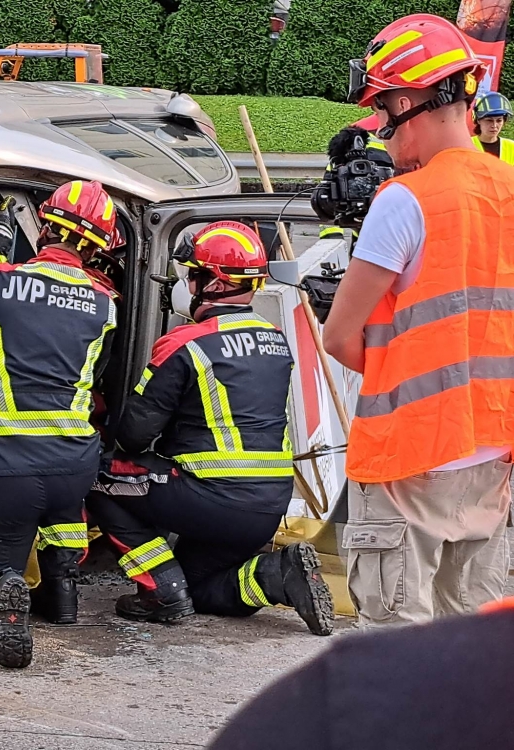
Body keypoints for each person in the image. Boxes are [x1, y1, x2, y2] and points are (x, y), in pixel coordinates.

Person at [325, 13, 514, 627]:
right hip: (489, 458)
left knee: (395, 663)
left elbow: (340, 337)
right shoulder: (510, 188)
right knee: (476, 659)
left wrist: (403, 373)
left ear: (408, 101)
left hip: (407, 460)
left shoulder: (404, 200)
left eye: (382, 112)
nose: (380, 132)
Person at [86, 221, 334, 636]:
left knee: (95, 476)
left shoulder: (185, 343)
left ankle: (161, 590)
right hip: (267, 506)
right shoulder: (275, 341)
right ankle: (276, 575)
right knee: (200, 589)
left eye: (192, 274)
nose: (185, 283)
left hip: (214, 500)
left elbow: (132, 436)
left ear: (213, 284)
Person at [0, 180, 119, 668]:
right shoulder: (106, 304)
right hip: (74, 466)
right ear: (98, 247)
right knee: (62, 521)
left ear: (44, 225)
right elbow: (98, 374)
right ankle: (62, 595)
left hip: (6, 464)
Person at [206, 599, 514, 749]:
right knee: (466, 592)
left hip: (402, 482)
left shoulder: (349, 699)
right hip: (487, 480)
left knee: (399, 622)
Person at [472, 91, 514, 164]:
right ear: (478, 120)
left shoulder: (511, 147)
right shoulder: (467, 145)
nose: (494, 125)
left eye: (499, 121)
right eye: (489, 120)